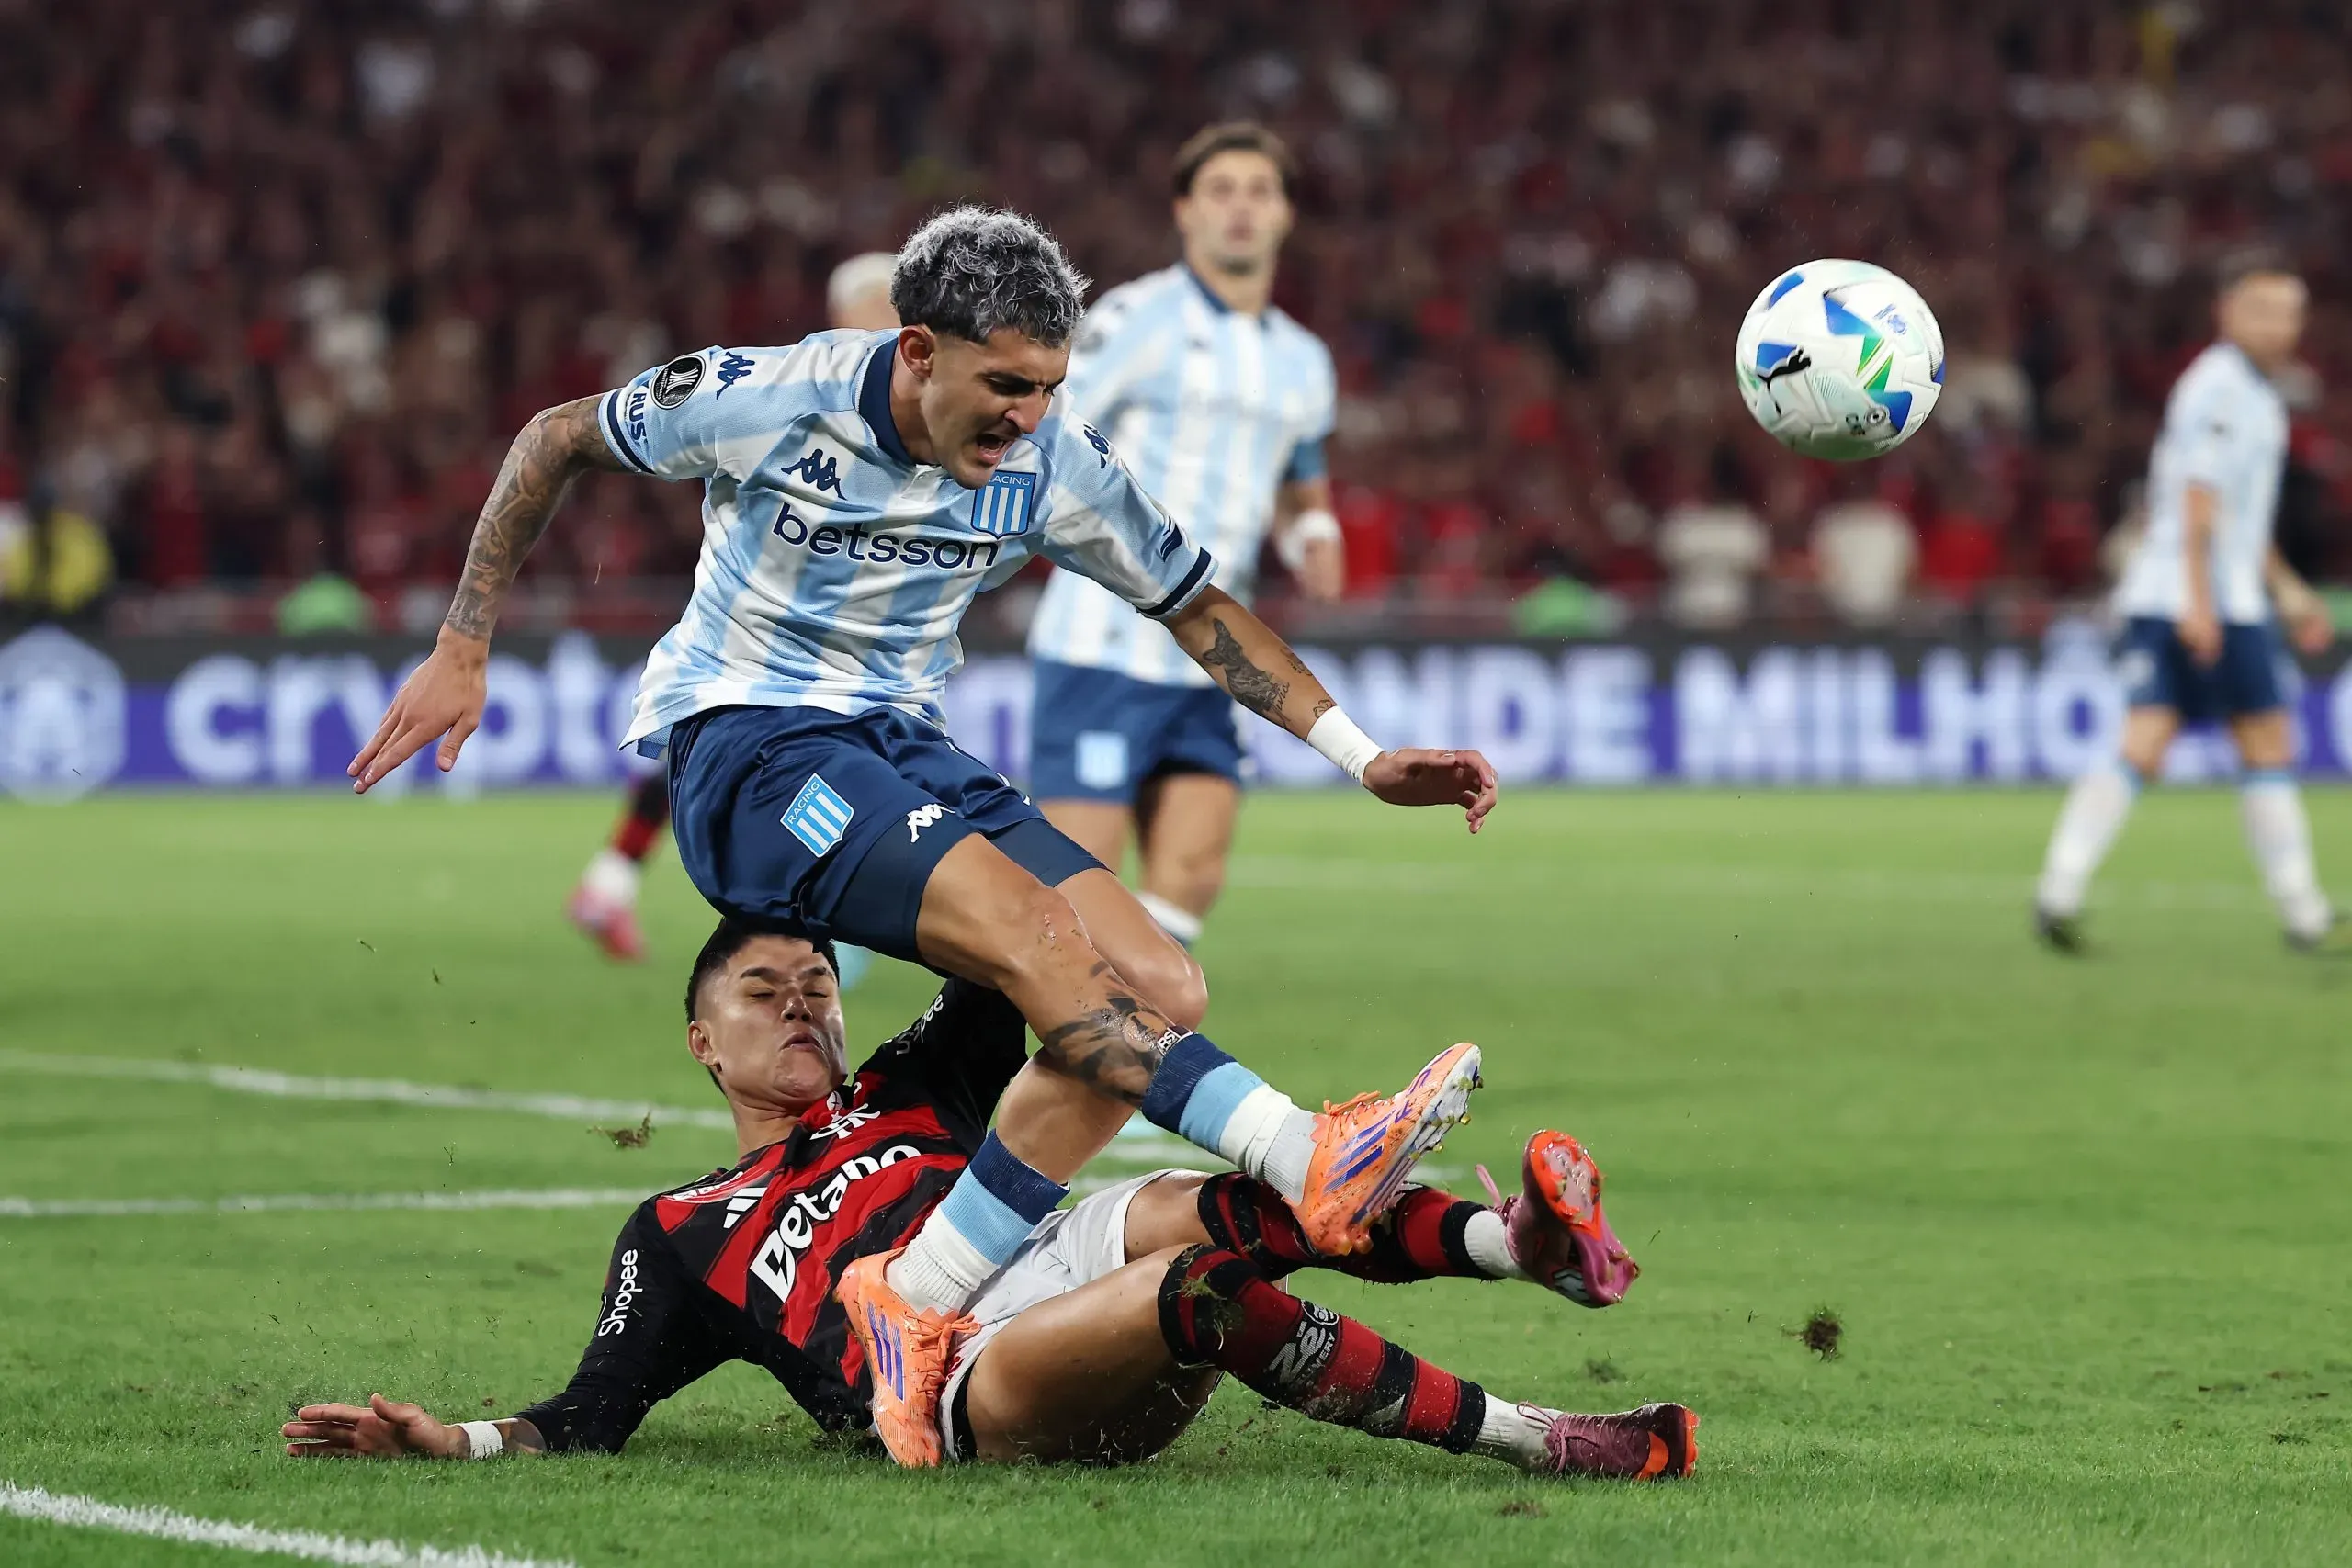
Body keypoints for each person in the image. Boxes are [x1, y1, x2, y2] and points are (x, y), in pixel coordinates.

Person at [347, 206, 1501, 1464]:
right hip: (755, 747)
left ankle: (909, 1299)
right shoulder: (764, 398)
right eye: (1004, 384)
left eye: (1049, 388)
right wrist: (465, 641)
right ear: (915, 351)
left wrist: (1363, 753)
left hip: (904, 741)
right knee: (1031, 939)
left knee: (1160, 983)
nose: (1027, 417)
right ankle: (1304, 1148)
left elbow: (1198, 605)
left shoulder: (1055, 463)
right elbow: (554, 436)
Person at [281, 923, 1691, 1480]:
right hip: (952, 1377)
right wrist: (446, 1438)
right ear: (702, 1045)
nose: (800, 1007)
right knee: (1193, 1291)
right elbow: (586, 1417)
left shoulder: (915, 1075)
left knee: (1209, 1193)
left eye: (817, 983)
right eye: (761, 994)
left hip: (1025, 1244)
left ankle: (1525, 1244)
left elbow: (1008, 946)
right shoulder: (679, 1226)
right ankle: (1538, 1438)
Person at [1023, 123, 1342, 945]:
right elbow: (1047, 421)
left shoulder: (1303, 359)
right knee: (1074, 894)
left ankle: (1122, 1065)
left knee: (1193, 878)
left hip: (1211, 649)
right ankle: (996, 1066)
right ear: (1185, 212)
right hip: (1103, 642)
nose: (1240, 209)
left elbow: (1299, 459)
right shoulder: (1138, 317)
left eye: (1259, 192)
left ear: (1285, 216)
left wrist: (1312, 524)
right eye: (1221, 191)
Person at [568, 252, 902, 966]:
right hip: (775, 646)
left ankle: (612, 883)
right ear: (850, 313)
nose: (903, 324)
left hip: (820, 653)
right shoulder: (790, 399)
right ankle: (813, 930)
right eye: (889, 307)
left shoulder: (901, 417)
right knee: (774, 771)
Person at [2034, 257, 2346, 953]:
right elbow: (2198, 499)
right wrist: (2202, 603)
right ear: (2227, 312)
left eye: (2289, 311)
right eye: (2263, 309)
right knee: (2265, 743)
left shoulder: (2253, 392)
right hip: (2206, 600)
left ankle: (2059, 888)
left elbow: (2233, 516)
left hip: (2180, 592)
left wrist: (2289, 591)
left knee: (2145, 742)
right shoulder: (2224, 387)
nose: (2279, 325)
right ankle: (2303, 911)